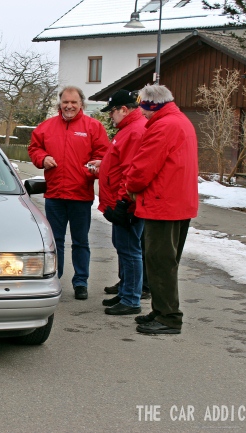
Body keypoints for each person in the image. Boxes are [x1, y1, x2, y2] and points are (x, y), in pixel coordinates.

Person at [124, 84, 199, 335]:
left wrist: (130, 185)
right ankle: (161, 310)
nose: (142, 114)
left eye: (143, 108)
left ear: (152, 105)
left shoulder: (163, 126)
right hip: (177, 203)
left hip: (163, 204)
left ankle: (169, 317)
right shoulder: (179, 121)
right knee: (164, 260)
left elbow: (143, 167)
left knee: (160, 261)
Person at [28, 86, 109, 300]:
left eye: (73, 102)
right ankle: (55, 278)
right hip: (54, 194)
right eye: (65, 102)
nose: (69, 106)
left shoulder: (93, 127)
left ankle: (81, 282)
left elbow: (104, 155)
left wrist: (93, 168)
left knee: (81, 241)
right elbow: (34, 148)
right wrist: (42, 158)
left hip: (81, 195)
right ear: (60, 103)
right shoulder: (46, 127)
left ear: (81, 104)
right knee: (55, 241)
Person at [89, 89, 147, 315]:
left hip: (125, 204)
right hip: (120, 201)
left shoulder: (134, 132)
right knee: (124, 249)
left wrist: (123, 203)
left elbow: (131, 172)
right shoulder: (127, 130)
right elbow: (120, 164)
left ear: (124, 109)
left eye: (112, 111)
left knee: (130, 250)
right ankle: (126, 292)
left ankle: (131, 299)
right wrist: (104, 166)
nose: (110, 116)